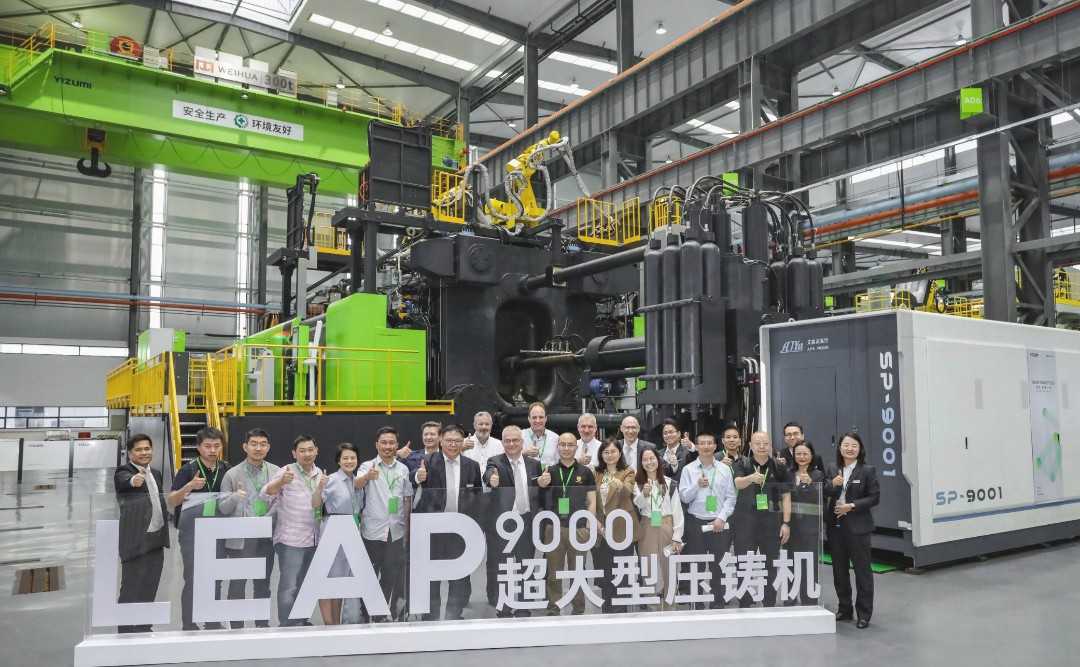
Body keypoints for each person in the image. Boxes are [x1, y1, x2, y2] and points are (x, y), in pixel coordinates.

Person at [414, 423, 483, 621]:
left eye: (457, 441)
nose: (453, 444)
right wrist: (417, 477)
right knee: (432, 574)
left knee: (459, 575)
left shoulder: (472, 466)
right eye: (449, 441)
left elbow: (477, 495)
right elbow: (412, 480)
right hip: (434, 528)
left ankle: (454, 614)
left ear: (463, 443)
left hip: (461, 529)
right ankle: (431, 615)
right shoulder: (428, 461)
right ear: (440, 441)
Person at [167, 426, 229, 631]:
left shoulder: (226, 468)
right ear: (199, 447)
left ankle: (212, 620)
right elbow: (172, 501)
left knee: (216, 576)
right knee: (193, 577)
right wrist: (189, 487)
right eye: (208, 446)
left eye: (217, 446)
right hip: (192, 532)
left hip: (218, 530)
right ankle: (189, 623)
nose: (212, 450)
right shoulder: (188, 470)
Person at [218, 428, 280, 629]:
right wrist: (235, 497)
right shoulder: (232, 474)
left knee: (263, 583)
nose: (258, 448)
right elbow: (223, 508)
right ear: (245, 447)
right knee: (238, 583)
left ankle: (262, 624)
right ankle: (236, 627)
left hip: (266, 535)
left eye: (262, 444)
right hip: (241, 537)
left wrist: (265, 521)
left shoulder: (277, 472)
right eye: (254, 444)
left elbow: (281, 503)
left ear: (268, 447)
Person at [261, 435, 324, 627]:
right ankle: (287, 623)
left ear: (316, 451)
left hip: (314, 537)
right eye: (302, 451)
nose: (307, 454)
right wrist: (280, 482)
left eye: (310, 449)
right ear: (294, 453)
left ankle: (302, 619)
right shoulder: (285, 471)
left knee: (306, 583)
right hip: (290, 539)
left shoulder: (320, 473)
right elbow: (264, 495)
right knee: (289, 584)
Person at [484, 425, 544, 617]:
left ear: (522, 442)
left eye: (515, 440)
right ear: (502, 443)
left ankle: (524, 605)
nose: (511, 444)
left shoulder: (534, 464)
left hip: (527, 520)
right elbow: (489, 473)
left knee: (526, 563)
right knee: (504, 565)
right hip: (506, 523)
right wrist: (491, 478)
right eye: (507, 441)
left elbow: (539, 489)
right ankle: (504, 605)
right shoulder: (495, 461)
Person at [355, 426, 414, 622]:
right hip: (373, 531)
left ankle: (380, 612)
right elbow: (356, 484)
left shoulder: (403, 469)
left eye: (391, 443)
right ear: (376, 445)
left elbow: (406, 499)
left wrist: (407, 529)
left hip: (395, 531)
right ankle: (366, 612)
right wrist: (366, 477)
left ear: (397, 445)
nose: (388, 446)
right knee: (370, 574)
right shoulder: (367, 466)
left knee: (390, 574)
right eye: (384, 442)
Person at [113, 433, 169, 633]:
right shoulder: (124, 471)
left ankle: (144, 628)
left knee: (149, 586)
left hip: (156, 539)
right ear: (130, 453)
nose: (144, 452)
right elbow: (124, 481)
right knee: (131, 588)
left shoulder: (156, 473)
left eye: (147, 448)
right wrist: (133, 480)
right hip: (135, 541)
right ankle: (126, 631)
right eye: (138, 449)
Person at [825, 431, 880, 629]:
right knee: (839, 570)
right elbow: (825, 490)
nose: (850, 449)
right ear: (840, 448)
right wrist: (833, 484)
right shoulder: (832, 468)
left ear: (860, 449)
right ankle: (844, 608)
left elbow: (874, 497)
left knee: (862, 571)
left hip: (858, 528)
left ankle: (864, 613)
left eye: (854, 445)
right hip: (836, 527)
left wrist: (852, 506)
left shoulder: (867, 470)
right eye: (846, 445)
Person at [732, 431, 792, 608]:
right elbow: (737, 483)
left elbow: (786, 496)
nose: (761, 446)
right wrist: (751, 478)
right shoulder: (742, 463)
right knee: (744, 561)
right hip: (745, 521)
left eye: (765, 443)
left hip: (771, 522)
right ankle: (745, 601)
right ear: (750, 445)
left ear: (770, 446)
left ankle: (769, 601)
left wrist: (786, 523)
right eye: (757, 443)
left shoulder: (779, 467)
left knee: (770, 563)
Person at [678, 432, 737, 609]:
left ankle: (717, 602)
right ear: (696, 446)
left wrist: (721, 518)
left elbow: (731, 497)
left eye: (709, 443)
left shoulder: (724, 469)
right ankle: (696, 603)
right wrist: (696, 485)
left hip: (718, 523)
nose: (706, 446)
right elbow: (684, 497)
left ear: (715, 446)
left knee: (718, 565)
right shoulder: (688, 469)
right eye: (702, 443)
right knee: (695, 565)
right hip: (695, 523)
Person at [314, 442, 365, 625]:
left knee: (344, 581)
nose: (349, 461)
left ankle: (339, 625)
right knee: (333, 580)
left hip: (352, 533)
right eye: (345, 458)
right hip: (334, 533)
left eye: (353, 458)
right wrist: (319, 488)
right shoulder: (332, 480)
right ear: (338, 461)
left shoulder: (358, 481)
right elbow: (316, 504)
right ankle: (332, 625)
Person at [542, 432, 593, 616]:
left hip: (578, 528)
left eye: (570, 445)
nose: (566, 448)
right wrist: (541, 483)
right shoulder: (549, 471)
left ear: (576, 447)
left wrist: (588, 527)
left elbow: (592, 501)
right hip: (554, 528)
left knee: (577, 569)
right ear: (557, 447)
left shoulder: (585, 472)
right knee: (554, 571)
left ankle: (578, 607)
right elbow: (542, 497)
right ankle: (553, 606)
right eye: (562, 444)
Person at [632, 447, 683, 609]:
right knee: (649, 567)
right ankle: (652, 607)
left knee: (669, 567)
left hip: (667, 525)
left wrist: (677, 537)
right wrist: (644, 494)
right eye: (645, 460)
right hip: (647, 527)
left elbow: (677, 511)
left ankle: (669, 607)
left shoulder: (670, 483)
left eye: (652, 458)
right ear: (641, 463)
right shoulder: (638, 484)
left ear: (658, 460)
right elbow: (639, 505)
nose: (649, 462)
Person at [593, 436, 637, 613]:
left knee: (621, 570)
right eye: (606, 452)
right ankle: (607, 607)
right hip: (601, 529)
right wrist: (594, 520)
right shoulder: (596, 473)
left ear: (619, 453)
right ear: (601, 455)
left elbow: (628, 492)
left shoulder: (627, 472)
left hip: (621, 529)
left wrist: (620, 485)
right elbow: (590, 499)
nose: (610, 455)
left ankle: (620, 609)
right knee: (604, 570)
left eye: (613, 451)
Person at [789, 441, 825, 606]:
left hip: (810, 526)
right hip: (791, 526)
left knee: (809, 563)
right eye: (798, 454)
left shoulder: (818, 475)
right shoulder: (788, 473)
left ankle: (809, 599)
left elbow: (820, 498)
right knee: (790, 561)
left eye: (805, 454)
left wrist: (810, 484)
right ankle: (790, 597)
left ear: (811, 456)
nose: (801, 457)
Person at [523, 402, 559, 468]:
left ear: (546, 418)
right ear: (529, 419)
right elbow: (507, 458)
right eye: (534, 417)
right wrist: (524, 453)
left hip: (549, 474)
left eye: (541, 417)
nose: (538, 421)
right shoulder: (519, 436)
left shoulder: (555, 438)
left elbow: (559, 462)